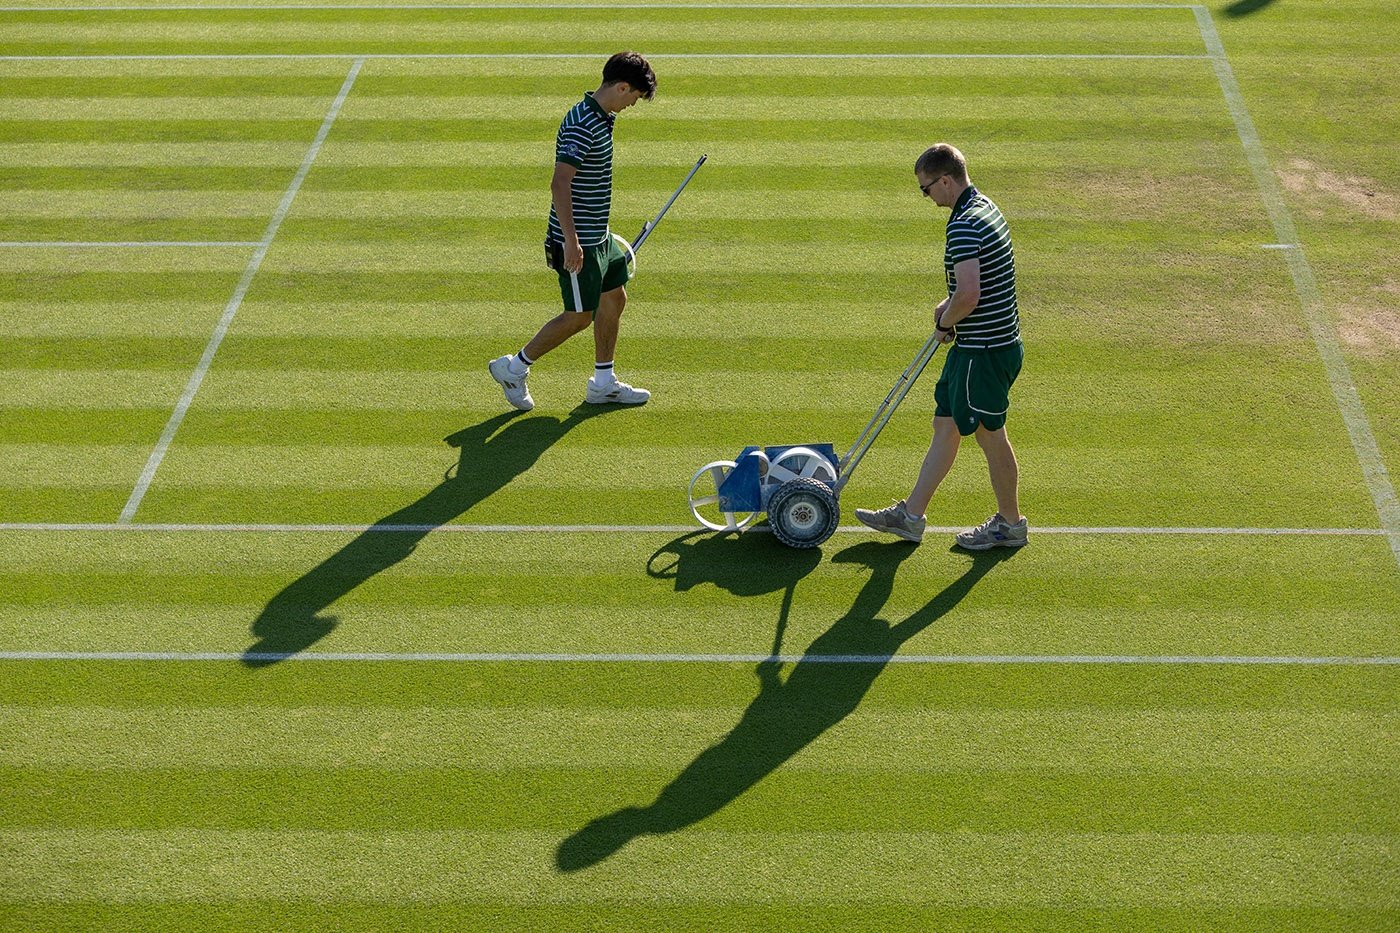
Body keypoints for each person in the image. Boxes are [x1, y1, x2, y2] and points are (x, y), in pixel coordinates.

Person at [856, 144, 1028, 550]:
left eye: (926, 189)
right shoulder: (985, 206)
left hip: (983, 351)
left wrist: (946, 320)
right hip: (982, 343)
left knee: (990, 436)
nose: (926, 197)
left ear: (946, 181)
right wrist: (946, 309)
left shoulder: (964, 224)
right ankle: (911, 516)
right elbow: (973, 287)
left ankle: (1010, 524)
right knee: (946, 425)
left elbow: (969, 295)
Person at [488, 51, 657, 411]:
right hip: (577, 240)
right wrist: (572, 242)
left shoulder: (601, 117)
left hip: (599, 237)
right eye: (634, 97)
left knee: (615, 299)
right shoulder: (583, 124)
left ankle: (603, 384)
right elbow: (560, 183)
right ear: (623, 86)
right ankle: (513, 368)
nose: (633, 105)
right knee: (579, 315)